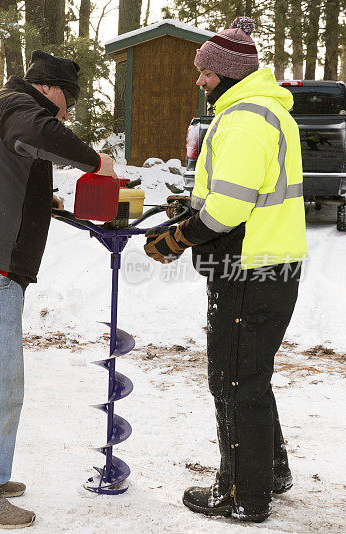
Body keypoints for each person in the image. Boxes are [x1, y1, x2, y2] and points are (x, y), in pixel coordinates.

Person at [0, 50, 116, 529]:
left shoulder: (1, 107)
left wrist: (42, 198)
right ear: (51, 90)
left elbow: (9, 167)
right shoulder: (17, 107)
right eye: (67, 103)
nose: (67, 114)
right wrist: (97, 161)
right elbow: (39, 134)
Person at [143, 17, 307, 523]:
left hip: (248, 270)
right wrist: (191, 204)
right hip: (266, 263)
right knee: (250, 376)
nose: (200, 81)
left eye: (207, 74)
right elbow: (236, 193)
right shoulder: (263, 112)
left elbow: (230, 208)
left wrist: (179, 237)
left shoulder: (243, 120)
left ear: (231, 74)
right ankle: (269, 472)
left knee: (233, 380)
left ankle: (242, 493)